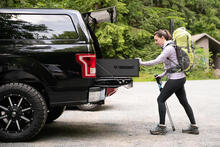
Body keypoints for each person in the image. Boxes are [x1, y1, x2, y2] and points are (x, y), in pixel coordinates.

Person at [137, 29, 199, 135]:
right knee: (184, 102)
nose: (155, 42)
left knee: (160, 99)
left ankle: (162, 127)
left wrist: (141, 63)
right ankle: (194, 127)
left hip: (176, 79)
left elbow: (157, 61)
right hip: (180, 78)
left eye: (156, 40)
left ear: (162, 38)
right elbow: (170, 66)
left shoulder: (168, 48)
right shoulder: (170, 47)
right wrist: (162, 75)